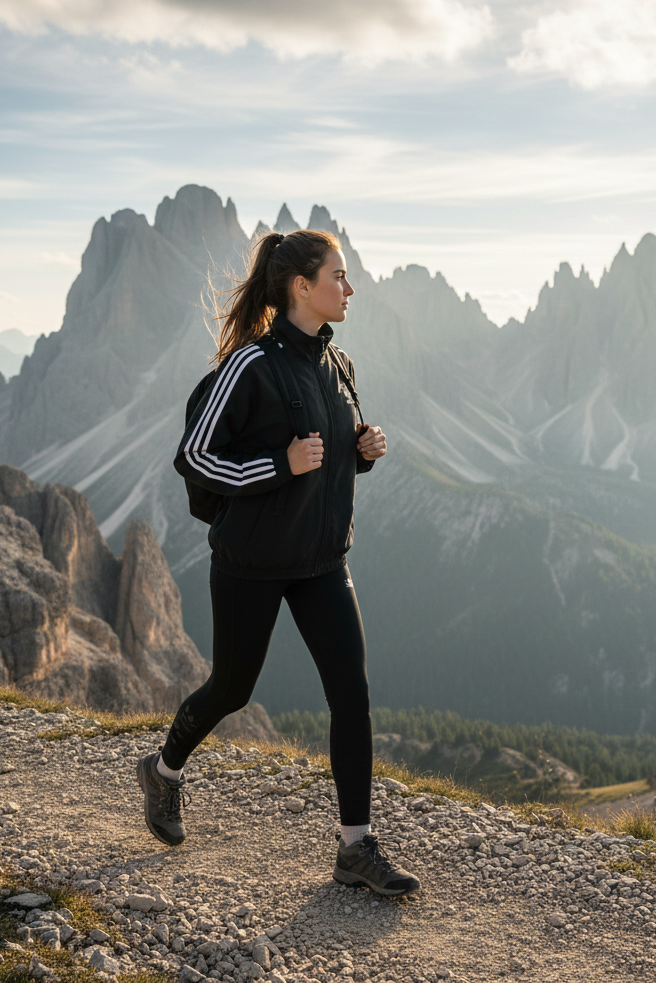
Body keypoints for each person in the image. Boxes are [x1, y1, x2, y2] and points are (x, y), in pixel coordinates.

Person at [136, 228, 420, 897]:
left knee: (351, 692)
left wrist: (364, 449)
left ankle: (355, 849)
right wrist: (278, 464)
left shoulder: (339, 364)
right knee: (233, 688)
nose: (349, 290)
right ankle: (165, 769)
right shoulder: (249, 366)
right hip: (253, 561)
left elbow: (331, 453)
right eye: (338, 277)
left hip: (322, 559)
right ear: (302, 286)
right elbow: (195, 457)